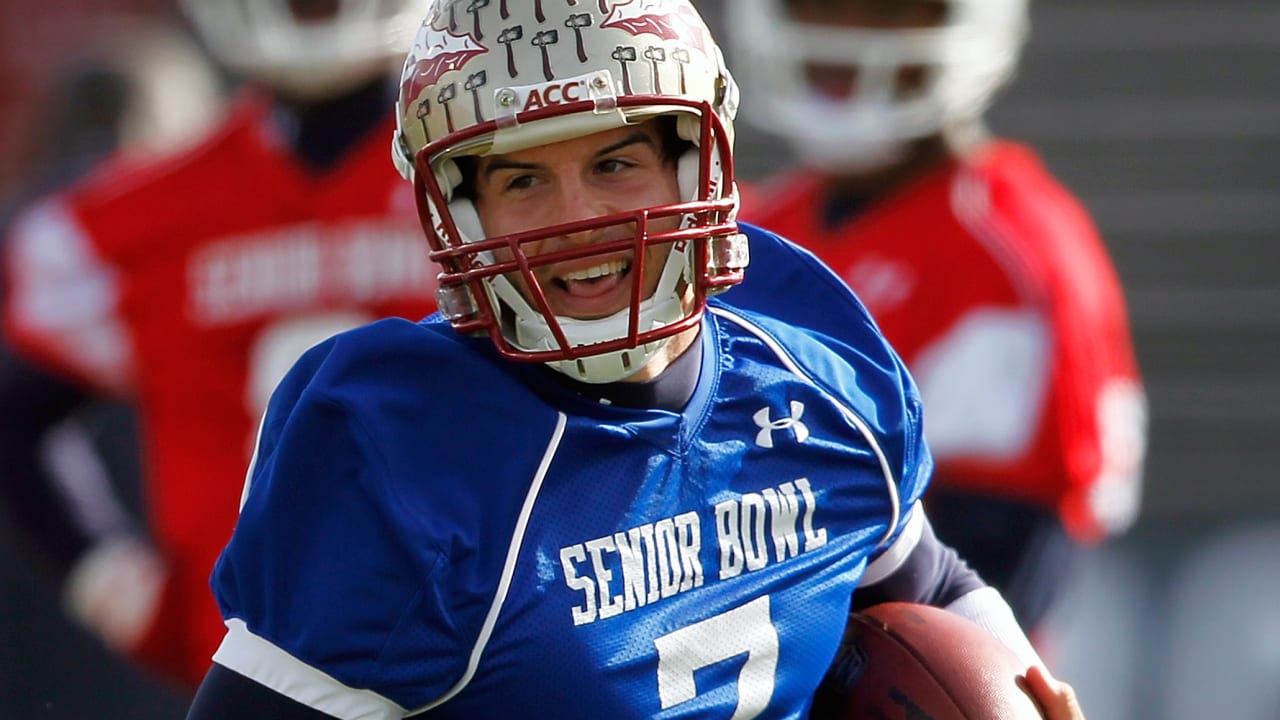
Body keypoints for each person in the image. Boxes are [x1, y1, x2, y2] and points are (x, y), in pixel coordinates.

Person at [184, 2, 1086, 718]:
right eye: (524, 179)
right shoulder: (409, 457)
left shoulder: (816, 379)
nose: (578, 219)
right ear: (460, 210)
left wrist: (1007, 677)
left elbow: (929, 585)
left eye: (616, 164)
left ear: (696, 167)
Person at [0, 0, 435, 690]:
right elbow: (17, 413)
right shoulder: (129, 222)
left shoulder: (488, 182)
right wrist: (120, 591)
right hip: (251, 672)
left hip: (472, 655)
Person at [728, 0, 1148, 639]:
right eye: (818, 6)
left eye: (888, 12)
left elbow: (994, 558)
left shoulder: (1005, 254)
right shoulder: (756, 228)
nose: (842, 40)